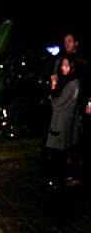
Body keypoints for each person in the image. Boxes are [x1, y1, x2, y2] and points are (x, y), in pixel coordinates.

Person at [46, 57, 81, 187]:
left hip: (64, 123)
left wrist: (52, 97)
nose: (63, 68)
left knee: (60, 153)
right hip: (59, 121)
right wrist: (54, 87)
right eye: (62, 65)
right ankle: (57, 179)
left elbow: (57, 103)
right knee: (56, 153)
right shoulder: (63, 81)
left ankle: (59, 179)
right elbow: (54, 94)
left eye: (66, 65)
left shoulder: (73, 83)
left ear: (72, 66)